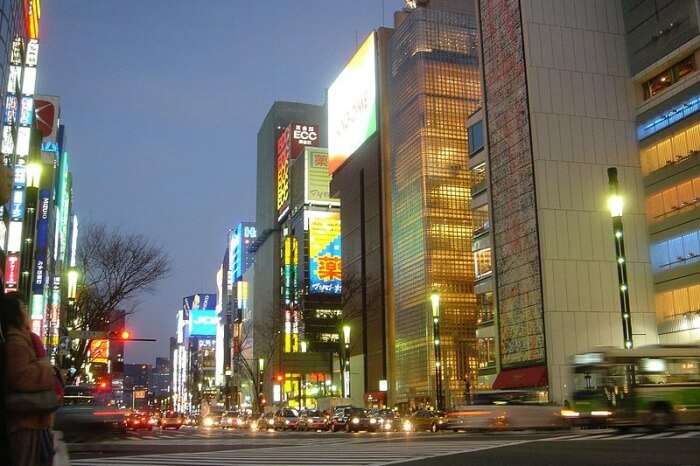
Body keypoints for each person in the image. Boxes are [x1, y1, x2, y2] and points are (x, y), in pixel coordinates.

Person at [1, 294, 56, 466]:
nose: (26, 312)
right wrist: (48, 370)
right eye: (23, 308)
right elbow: (20, 376)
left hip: (31, 420)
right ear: (14, 314)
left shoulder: (23, 338)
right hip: (25, 421)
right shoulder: (16, 341)